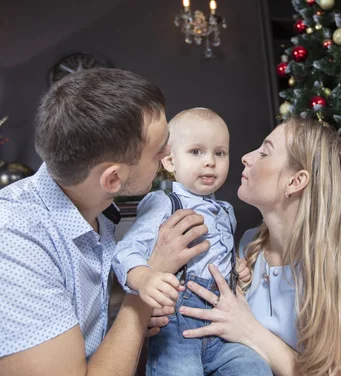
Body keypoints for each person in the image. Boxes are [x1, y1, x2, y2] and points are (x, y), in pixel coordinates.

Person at [0, 68, 212, 376]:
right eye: (159, 149)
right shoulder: (4, 240)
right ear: (113, 178)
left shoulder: (93, 208)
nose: (168, 154)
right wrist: (146, 287)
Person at [176, 118, 341, 376]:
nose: (246, 157)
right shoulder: (248, 246)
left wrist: (250, 331)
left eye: (265, 152)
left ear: (295, 181)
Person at [112, 107, 272, 376]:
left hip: (223, 319)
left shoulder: (225, 211)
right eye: (196, 152)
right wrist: (145, 279)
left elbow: (218, 255)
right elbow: (126, 251)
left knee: (254, 368)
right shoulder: (164, 203)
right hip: (178, 322)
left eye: (219, 153)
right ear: (170, 162)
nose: (210, 161)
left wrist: (237, 268)